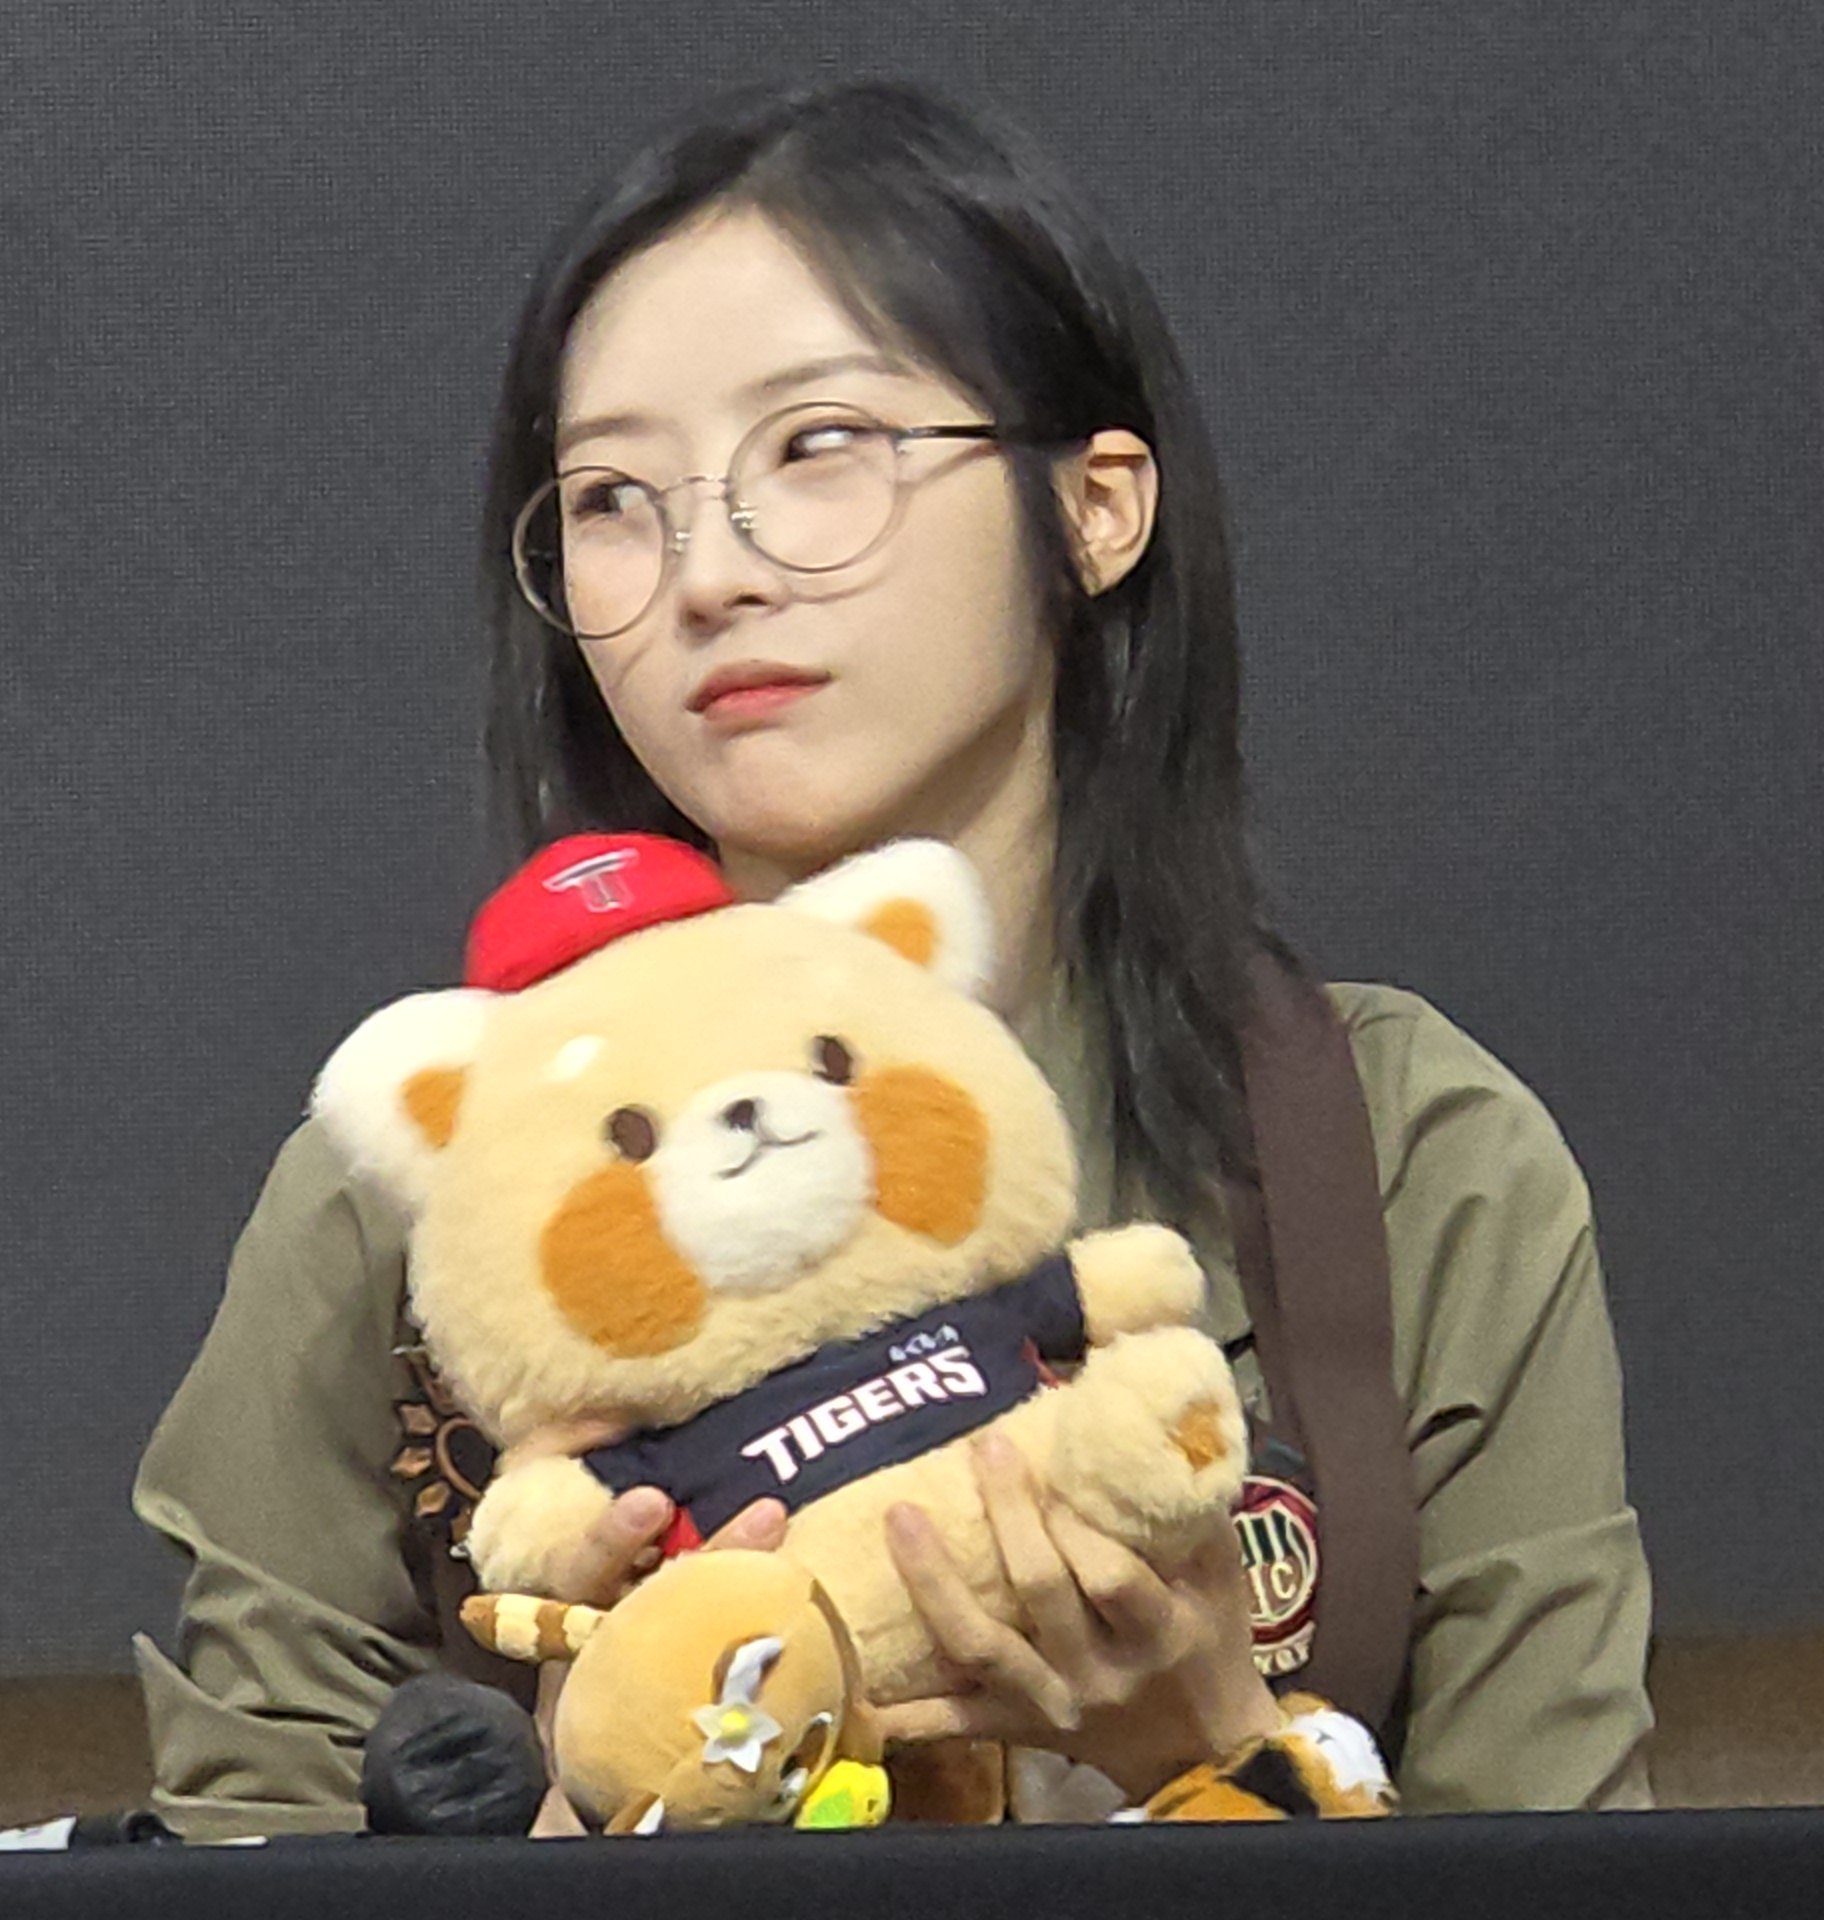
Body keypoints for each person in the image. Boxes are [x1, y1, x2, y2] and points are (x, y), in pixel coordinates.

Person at [131, 78, 1653, 1841]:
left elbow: (1576, 1862)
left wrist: (1214, 1742)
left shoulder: (1407, 1163)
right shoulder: (418, 1200)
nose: (708, 574)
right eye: (613, 496)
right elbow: (241, 1841)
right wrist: (596, 1820)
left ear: (1095, 507)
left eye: (818, 446)